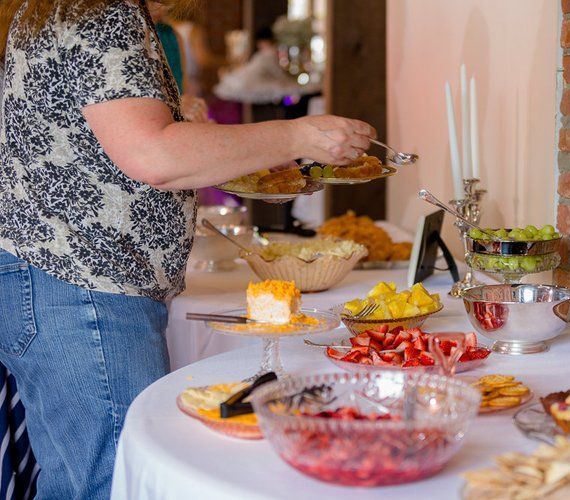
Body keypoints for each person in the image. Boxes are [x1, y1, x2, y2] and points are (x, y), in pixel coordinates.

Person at [0, 1, 375, 498]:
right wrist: (298, 133)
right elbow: (153, 155)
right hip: (83, 282)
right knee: (111, 483)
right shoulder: (102, 10)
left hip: (65, 279)